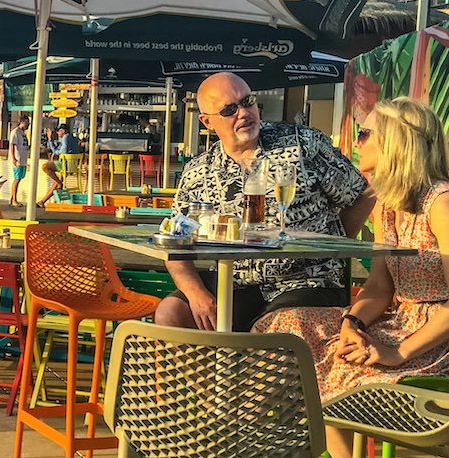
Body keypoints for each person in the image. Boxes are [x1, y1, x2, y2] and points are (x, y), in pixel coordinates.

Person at [255, 98, 449, 458]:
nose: (355, 141)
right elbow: (379, 286)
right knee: (287, 328)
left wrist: (399, 352)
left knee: (332, 365)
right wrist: (353, 323)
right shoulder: (391, 203)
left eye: (366, 133)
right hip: (399, 322)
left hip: (443, 339)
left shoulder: (445, 201)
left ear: (397, 143)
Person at [155, 72, 375, 334]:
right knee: (171, 312)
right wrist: (195, 294)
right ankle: (203, 376)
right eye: (229, 109)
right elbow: (175, 243)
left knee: (271, 327)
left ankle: (253, 373)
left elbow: (363, 194)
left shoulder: (302, 145)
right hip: (234, 282)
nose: (244, 113)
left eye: (247, 101)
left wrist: (328, 246)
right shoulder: (198, 172)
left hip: (307, 281)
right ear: (207, 122)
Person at [38, 124, 83, 207]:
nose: (58, 133)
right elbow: (56, 150)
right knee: (56, 183)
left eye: (58, 131)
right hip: (72, 165)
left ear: (63, 131)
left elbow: (63, 150)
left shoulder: (66, 137)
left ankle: (59, 183)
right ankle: (42, 202)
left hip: (65, 164)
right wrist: (50, 139)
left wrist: (57, 152)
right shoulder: (74, 139)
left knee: (45, 166)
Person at [8, 115, 30, 207]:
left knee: (19, 178)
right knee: (17, 179)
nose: (28, 125)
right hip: (17, 159)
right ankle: (14, 199)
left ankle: (12, 198)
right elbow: (12, 145)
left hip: (23, 159)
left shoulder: (23, 133)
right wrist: (13, 158)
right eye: (26, 123)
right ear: (22, 122)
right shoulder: (15, 132)